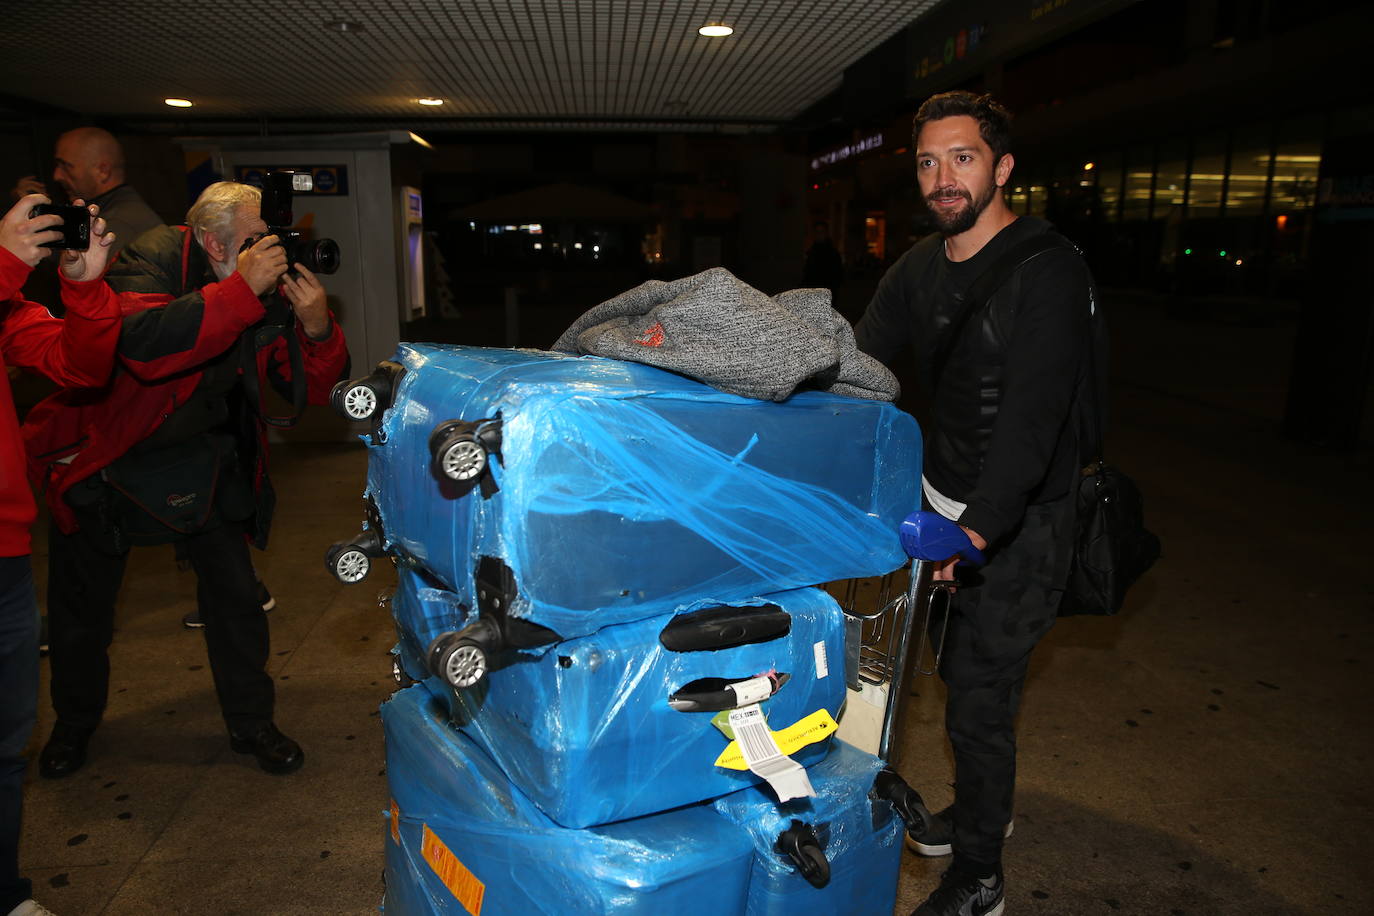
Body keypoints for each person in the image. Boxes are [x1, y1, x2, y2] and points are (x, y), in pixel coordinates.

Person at [853, 91, 1101, 916]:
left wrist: (975, 532)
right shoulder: (918, 268)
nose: (942, 177)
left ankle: (981, 875)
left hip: (1020, 520)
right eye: (927, 161)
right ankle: (979, 812)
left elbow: (1032, 425)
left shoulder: (1048, 270)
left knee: (979, 695)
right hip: (941, 507)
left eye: (961, 157)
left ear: (1001, 167)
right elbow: (858, 364)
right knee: (957, 681)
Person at [23, 181, 350, 780]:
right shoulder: (147, 259)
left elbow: (308, 386)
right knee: (80, 613)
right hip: (111, 454)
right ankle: (74, 724)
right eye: (253, 241)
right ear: (208, 239)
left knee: (236, 604)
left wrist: (318, 328)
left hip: (207, 454)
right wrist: (240, 288)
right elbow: (145, 349)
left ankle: (253, 724)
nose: (267, 252)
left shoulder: (256, 275)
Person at [2, 194, 122, 916]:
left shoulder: (10, 304)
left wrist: (83, 285)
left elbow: (81, 368)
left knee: (5, 741)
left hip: (8, 553)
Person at [11, 127, 163, 259]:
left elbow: (70, 270)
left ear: (103, 171)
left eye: (66, 166)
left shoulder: (118, 224)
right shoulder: (107, 213)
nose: (57, 176)